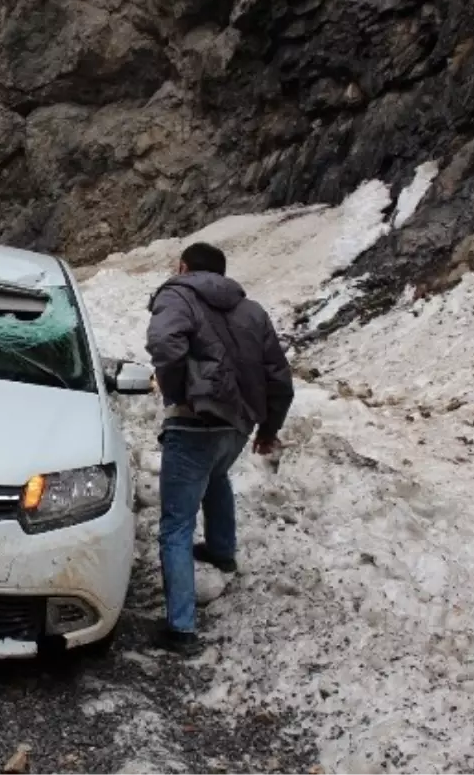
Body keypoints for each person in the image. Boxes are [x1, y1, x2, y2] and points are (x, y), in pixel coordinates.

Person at [145, 241, 294, 654]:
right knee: (217, 474)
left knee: (175, 525)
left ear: (184, 266)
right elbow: (280, 378)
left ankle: (181, 629)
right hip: (239, 425)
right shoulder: (253, 310)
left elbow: (163, 344)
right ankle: (222, 551)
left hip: (195, 423)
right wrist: (268, 429)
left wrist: (177, 393)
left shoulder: (177, 293)